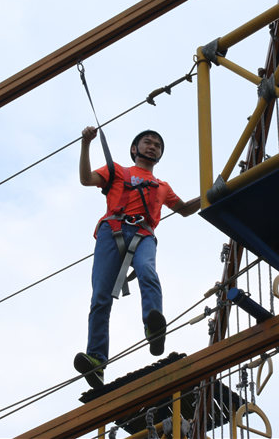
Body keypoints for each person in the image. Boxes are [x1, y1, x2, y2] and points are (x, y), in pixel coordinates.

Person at [75, 126, 199, 388]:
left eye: (157, 145)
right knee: (100, 296)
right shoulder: (118, 171)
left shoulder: (162, 187)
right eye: (147, 142)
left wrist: (210, 193)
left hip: (143, 234)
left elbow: (185, 209)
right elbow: (86, 179)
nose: (152, 146)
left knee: (147, 270)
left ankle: (154, 326)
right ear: (134, 149)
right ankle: (96, 360)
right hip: (113, 229)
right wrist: (86, 144)